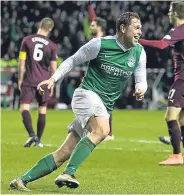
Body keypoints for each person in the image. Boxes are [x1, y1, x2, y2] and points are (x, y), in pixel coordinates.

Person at [9, 12, 147, 191]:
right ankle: (69, 173)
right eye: (136, 27)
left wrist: (140, 89)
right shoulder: (100, 44)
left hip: (104, 105)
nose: (140, 31)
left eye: (141, 28)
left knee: (64, 152)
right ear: (122, 28)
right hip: (86, 95)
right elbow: (73, 60)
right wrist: (52, 79)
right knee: (103, 130)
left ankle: (22, 180)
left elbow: (141, 78)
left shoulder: (139, 52)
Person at [139, 1, 184, 165]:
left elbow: (161, 45)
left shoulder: (178, 30)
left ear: (176, 14)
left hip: (183, 79)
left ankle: (176, 155)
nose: (167, 14)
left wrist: (138, 41)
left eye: (170, 11)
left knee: (169, 116)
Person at [18, 17, 57, 147]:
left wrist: (20, 79)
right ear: (50, 29)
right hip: (44, 81)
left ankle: (31, 135)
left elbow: (21, 62)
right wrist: (52, 82)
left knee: (24, 108)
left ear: (40, 25)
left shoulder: (27, 41)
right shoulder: (52, 45)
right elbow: (53, 67)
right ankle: (38, 141)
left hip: (29, 79)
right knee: (42, 109)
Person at [88, 5, 114, 141]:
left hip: (104, 77)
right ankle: (99, 130)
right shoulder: (95, 40)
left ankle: (108, 133)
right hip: (95, 76)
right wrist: (89, 6)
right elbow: (92, 17)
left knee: (105, 104)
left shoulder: (105, 41)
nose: (90, 26)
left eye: (92, 25)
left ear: (99, 27)